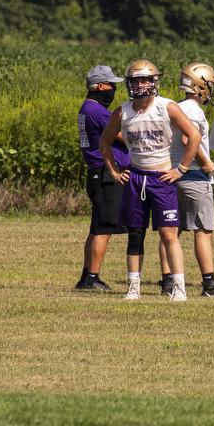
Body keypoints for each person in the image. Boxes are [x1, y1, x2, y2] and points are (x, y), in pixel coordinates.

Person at [99, 61, 204, 301]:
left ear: (154, 82)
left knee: (169, 235)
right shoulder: (123, 111)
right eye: (135, 81)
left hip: (161, 178)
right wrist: (115, 171)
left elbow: (194, 136)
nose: (140, 85)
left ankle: (179, 286)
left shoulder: (167, 107)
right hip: (136, 177)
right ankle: (133, 285)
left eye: (144, 80)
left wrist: (181, 169)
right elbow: (104, 143)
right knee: (135, 234)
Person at [173, 61, 214, 298]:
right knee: (202, 230)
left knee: (171, 231)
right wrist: (205, 162)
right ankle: (209, 284)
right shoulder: (194, 110)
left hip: (173, 174)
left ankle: (169, 281)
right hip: (194, 175)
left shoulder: (175, 106)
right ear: (199, 86)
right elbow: (189, 140)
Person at [76, 64, 129, 291]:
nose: (113, 89)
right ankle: (92, 278)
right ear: (100, 86)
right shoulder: (97, 111)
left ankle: (87, 275)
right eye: (111, 85)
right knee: (104, 228)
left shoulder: (86, 108)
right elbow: (125, 137)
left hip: (97, 173)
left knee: (97, 227)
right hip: (106, 174)